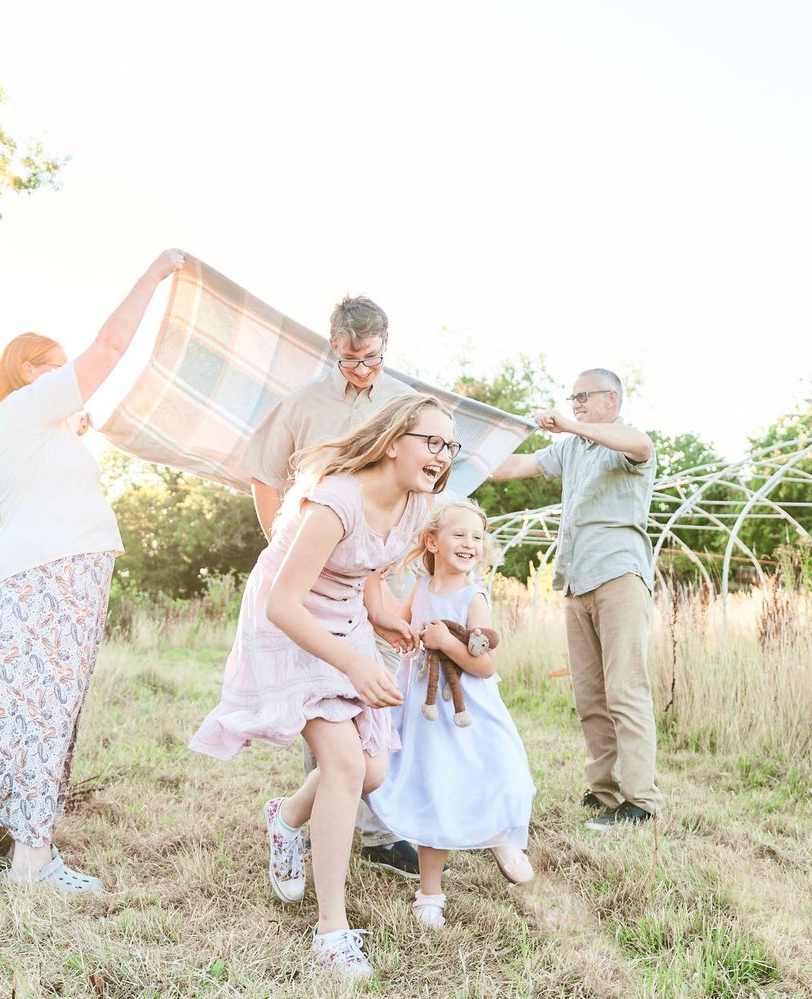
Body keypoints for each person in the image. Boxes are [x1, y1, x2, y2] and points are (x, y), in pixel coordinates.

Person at [0, 249, 186, 891]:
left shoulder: (24, 425)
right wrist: (152, 274)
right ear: (28, 372)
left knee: (23, 705)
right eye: (56, 367)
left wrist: (74, 432)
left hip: (50, 574)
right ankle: (32, 860)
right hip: (54, 576)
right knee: (45, 708)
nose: (69, 377)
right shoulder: (25, 411)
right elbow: (112, 344)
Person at [191, 395, 458, 981]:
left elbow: (365, 571)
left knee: (373, 772)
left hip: (344, 619)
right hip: (287, 622)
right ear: (394, 441)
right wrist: (355, 665)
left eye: (449, 447)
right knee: (342, 764)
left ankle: (286, 818)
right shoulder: (337, 499)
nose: (442, 456)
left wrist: (382, 615)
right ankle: (332, 931)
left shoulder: (417, 504)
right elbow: (283, 603)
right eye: (432, 442)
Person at [242, 295, 425, 877]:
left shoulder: (403, 405)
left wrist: (385, 595)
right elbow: (264, 472)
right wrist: (283, 541)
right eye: (349, 359)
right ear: (332, 347)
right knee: (320, 698)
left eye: (369, 358)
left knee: (369, 703)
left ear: (386, 345)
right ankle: (319, 828)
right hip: (311, 572)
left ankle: (374, 832)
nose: (361, 370)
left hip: (370, 565)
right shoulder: (302, 404)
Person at [491, 368, 663, 829]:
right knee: (589, 695)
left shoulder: (626, 443)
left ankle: (641, 801)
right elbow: (510, 468)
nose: (576, 405)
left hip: (618, 574)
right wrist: (462, 446)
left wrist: (569, 424)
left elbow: (641, 445)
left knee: (625, 688)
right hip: (577, 580)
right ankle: (603, 791)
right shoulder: (570, 448)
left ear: (612, 398)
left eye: (583, 397)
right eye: (572, 399)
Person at [367, 499, 536, 928]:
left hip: (470, 709)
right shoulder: (422, 587)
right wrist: (370, 584)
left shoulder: (473, 596)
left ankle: (498, 835)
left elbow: (485, 665)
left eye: (477, 537)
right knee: (434, 790)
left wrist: (445, 643)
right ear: (432, 541)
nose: (470, 543)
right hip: (425, 713)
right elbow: (398, 626)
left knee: (494, 775)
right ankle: (430, 892)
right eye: (459, 534)